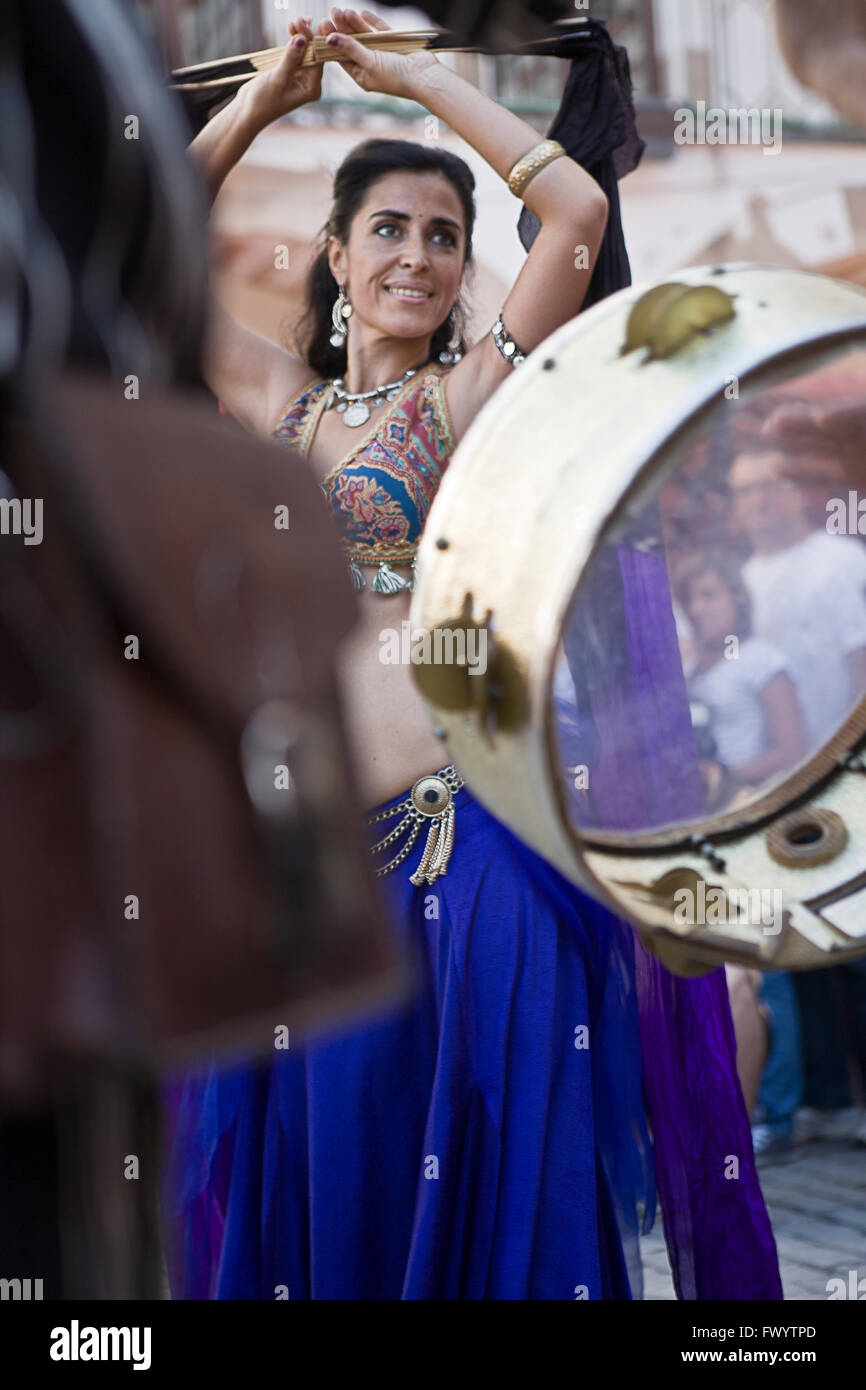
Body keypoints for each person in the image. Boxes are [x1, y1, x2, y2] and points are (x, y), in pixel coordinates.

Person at [162, 8, 782, 1301]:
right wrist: (273, 95)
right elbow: (154, 229)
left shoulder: (465, 399)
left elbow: (570, 218)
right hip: (319, 863)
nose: (419, 255)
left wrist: (418, 79)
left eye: (442, 236)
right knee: (335, 1188)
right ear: (332, 254)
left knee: (504, 1198)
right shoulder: (275, 408)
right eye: (386, 228)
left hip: (474, 853)